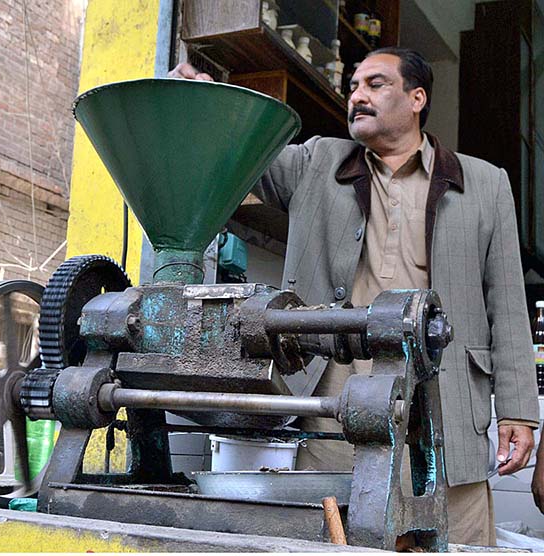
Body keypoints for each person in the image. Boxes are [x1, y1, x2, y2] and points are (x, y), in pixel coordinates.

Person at [169, 48, 539, 546]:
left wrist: (518, 410)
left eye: (375, 84)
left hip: (448, 413)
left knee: (453, 544)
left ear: (416, 98)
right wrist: (203, 101)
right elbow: (244, 150)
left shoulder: (485, 184)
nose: (357, 96)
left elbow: (508, 307)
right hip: (335, 413)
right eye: (353, 86)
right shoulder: (316, 162)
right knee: (339, 539)